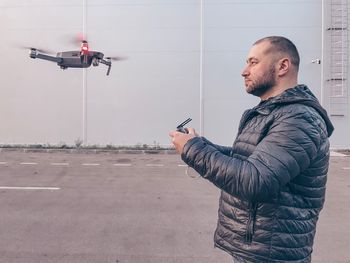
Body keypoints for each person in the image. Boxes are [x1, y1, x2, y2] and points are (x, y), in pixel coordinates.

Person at [169, 36, 334, 263]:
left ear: (283, 66)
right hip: (259, 249)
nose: (244, 71)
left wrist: (194, 150)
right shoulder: (274, 113)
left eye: (253, 62)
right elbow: (249, 160)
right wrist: (201, 145)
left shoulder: (298, 119)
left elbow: (256, 179)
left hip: (273, 254)